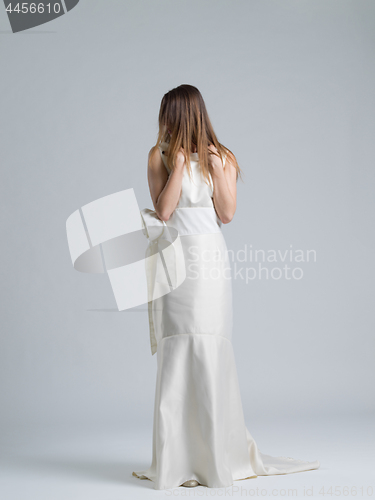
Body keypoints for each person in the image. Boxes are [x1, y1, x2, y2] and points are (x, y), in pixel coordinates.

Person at [132, 84, 320, 490]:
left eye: (167, 114)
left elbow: (228, 213)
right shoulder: (158, 155)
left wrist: (213, 168)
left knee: (210, 347)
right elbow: (163, 211)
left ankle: (214, 457)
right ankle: (177, 459)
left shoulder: (223, 156)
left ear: (184, 114)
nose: (162, 122)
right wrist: (179, 165)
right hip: (174, 263)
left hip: (209, 263)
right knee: (178, 349)